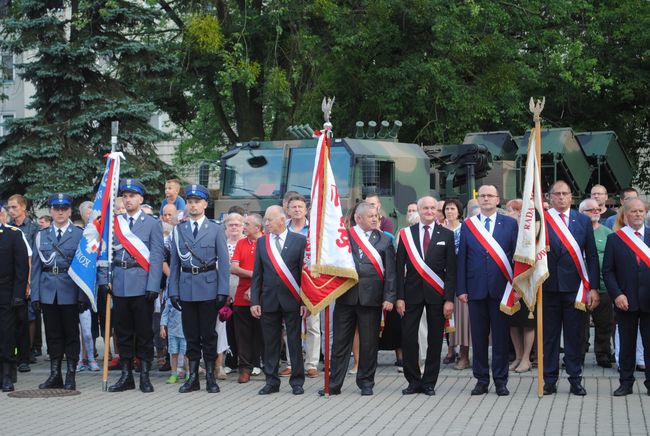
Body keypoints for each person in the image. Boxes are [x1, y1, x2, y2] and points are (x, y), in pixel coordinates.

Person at [98, 179, 164, 393]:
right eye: (125, 196)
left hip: (142, 282)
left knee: (144, 333)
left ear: (140, 199)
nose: (128, 200)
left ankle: (144, 375)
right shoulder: (113, 223)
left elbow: (156, 256)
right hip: (119, 282)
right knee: (123, 332)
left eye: (132, 196)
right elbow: (105, 253)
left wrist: (154, 284)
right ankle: (126, 375)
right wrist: (104, 280)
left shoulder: (152, 223)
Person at [323, 202, 396, 396]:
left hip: (372, 299)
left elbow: (391, 272)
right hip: (345, 298)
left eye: (377, 216)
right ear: (358, 218)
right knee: (340, 343)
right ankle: (334, 384)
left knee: (369, 343)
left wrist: (389, 296)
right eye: (371, 216)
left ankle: (366, 383)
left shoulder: (385, 240)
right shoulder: (344, 237)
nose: (375, 219)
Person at [168, 184, 230, 393]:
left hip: (208, 287)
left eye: (197, 202)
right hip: (186, 288)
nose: (193, 205)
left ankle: (211, 376)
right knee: (191, 335)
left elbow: (224, 262)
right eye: (190, 202)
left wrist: (223, 291)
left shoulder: (215, 228)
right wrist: (173, 291)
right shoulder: (179, 230)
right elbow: (175, 263)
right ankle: (193, 377)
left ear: (205, 204)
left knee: (208, 335)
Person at [457, 186, 518, 396]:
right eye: (482, 196)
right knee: (479, 338)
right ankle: (481, 379)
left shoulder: (510, 224)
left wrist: (517, 287)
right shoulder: (468, 225)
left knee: (501, 339)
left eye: (489, 196)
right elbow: (462, 258)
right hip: (475, 290)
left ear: (498, 199)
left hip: (502, 289)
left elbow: (517, 258)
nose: (485, 199)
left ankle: (500, 380)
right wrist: (461, 289)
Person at [542, 180, 600, 396]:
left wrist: (593, 287)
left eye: (565, 193)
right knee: (550, 337)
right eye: (556, 194)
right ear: (549, 197)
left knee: (575, 336)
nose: (561, 197)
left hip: (575, 288)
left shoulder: (582, 221)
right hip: (547, 288)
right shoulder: (542, 220)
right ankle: (549, 379)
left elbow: (592, 257)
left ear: (571, 197)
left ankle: (575, 378)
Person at [396, 196, 456, 395]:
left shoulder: (446, 235)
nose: (429, 211)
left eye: (432, 208)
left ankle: (429, 382)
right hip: (411, 295)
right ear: (418, 211)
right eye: (425, 208)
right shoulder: (406, 234)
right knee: (409, 338)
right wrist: (400, 297)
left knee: (435, 340)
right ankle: (413, 381)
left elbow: (451, 271)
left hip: (437, 295)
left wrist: (449, 299)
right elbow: (398, 269)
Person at [31, 193, 86, 390]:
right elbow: (36, 268)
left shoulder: (79, 234)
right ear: (51, 211)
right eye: (56, 208)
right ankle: (55, 374)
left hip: (69, 290)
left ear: (70, 211)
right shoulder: (42, 235)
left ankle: (70, 375)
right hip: (47, 291)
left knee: (71, 334)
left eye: (64, 208)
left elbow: (82, 268)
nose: (60, 212)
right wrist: (35, 295)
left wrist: (82, 295)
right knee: (53, 335)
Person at [250, 205, 308, 395]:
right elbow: (257, 274)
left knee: (294, 341)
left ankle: (297, 382)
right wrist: (255, 301)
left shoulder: (300, 241)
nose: (266, 224)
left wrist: (305, 302)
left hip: (292, 299)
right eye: (265, 220)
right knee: (271, 342)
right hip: (268, 300)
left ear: (282, 220)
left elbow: (304, 274)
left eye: (269, 220)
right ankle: (271, 381)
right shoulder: (262, 243)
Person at [603, 198, 650, 396]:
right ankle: (626, 383)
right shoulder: (615, 239)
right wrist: (617, 295)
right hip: (625, 300)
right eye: (634, 211)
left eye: (641, 211)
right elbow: (608, 271)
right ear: (626, 214)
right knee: (627, 344)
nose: (638, 214)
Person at [285, 195, 319, 378]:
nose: (297, 210)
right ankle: (292, 362)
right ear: (288, 210)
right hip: (289, 280)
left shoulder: (314, 230)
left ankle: (311, 364)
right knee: (291, 324)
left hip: (311, 280)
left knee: (313, 324)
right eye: (293, 207)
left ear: (306, 210)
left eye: (300, 207)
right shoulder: (283, 229)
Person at [579, 199, 615, 368]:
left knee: (605, 323)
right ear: (581, 213)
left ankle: (603, 354)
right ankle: (577, 354)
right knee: (578, 324)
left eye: (597, 209)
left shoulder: (608, 233)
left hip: (602, 286)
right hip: (578, 287)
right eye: (590, 209)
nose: (595, 211)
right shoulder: (575, 231)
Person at [7, 194, 40, 372]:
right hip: (10, 280)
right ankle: (14, 353)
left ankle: (25, 355)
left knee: (26, 318)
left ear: (23, 207)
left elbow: (34, 257)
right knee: (13, 319)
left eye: (14, 207)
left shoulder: (33, 229)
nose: (11, 211)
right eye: (9, 208)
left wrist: (29, 282)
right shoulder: (8, 228)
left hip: (27, 278)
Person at [230, 213, 264, 383]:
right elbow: (234, 268)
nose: (243, 227)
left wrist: (255, 283)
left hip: (263, 295)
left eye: (247, 224)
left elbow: (271, 269)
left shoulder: (267, 242)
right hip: (241, 295)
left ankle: (260, 364)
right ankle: (244, 368)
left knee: (262, 332)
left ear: (257, 228)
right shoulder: (241, 243)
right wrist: (253, 274)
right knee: (242, 334)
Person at [0, 206, 29, 392]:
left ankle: (7, 374)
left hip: (5, 292)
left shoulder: (12, 235)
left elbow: (21, 268)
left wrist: (18, 295)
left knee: (6, 333)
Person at [442, 198, 470, 370]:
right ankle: (450, 350)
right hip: (444, 280)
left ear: (459, 211)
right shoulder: (440, 230)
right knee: (448, 317)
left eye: (452, 208)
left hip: (462, 278)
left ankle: (464, 355)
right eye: (447, 208)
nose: (449, 211)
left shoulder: (465, 229)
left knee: (463, 319)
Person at [160, 294, 187, 384]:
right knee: (173, 354)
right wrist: (162, 327)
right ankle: (174, 374)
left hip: (185, 333)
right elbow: (165, 314)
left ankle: (189, 373)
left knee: (186, 354)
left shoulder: (187, 300)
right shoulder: (169, 301)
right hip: (172, 333)